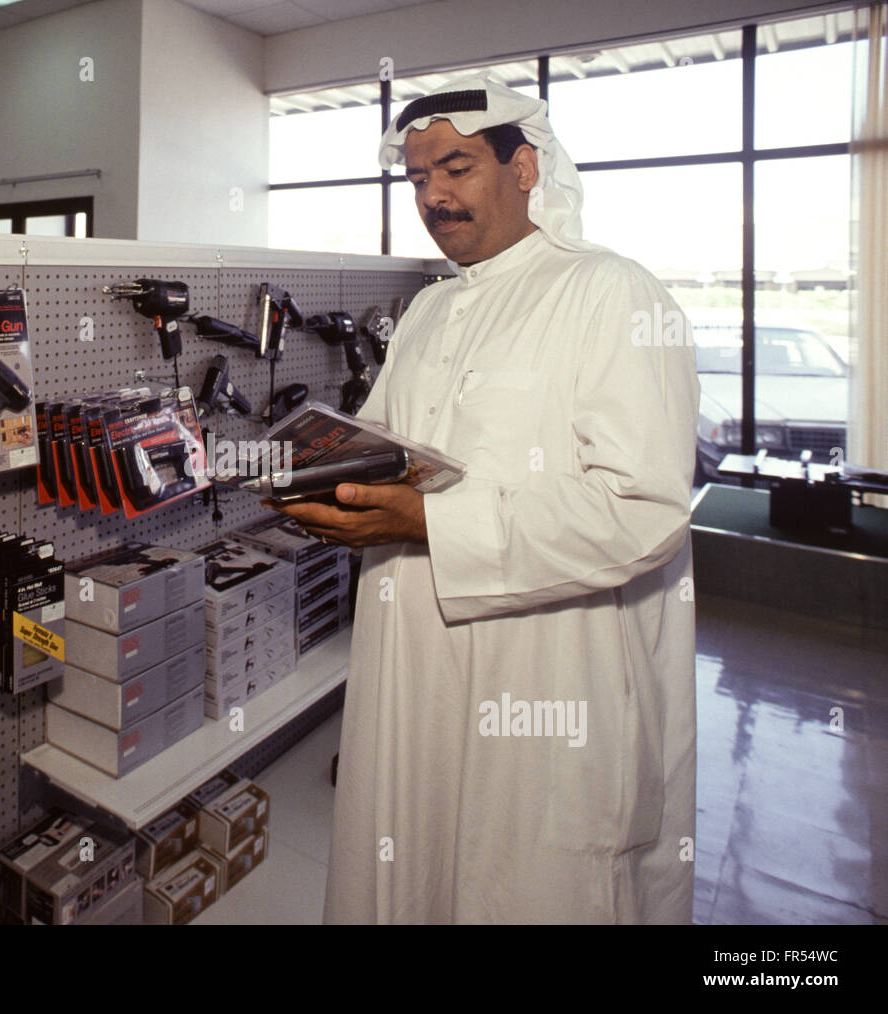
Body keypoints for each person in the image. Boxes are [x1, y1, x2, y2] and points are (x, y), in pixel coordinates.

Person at [269, 75, 700, 923]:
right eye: (420, 177)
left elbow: (644, 511)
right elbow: (392, 455)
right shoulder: (429, 314)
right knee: (414, 861)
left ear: (526, 167)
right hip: (413, 666)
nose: (434, 195)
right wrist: (331, 487)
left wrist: (427, 520)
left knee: (526, 880)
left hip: (549, 673)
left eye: (458, 168)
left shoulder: (612, 293)